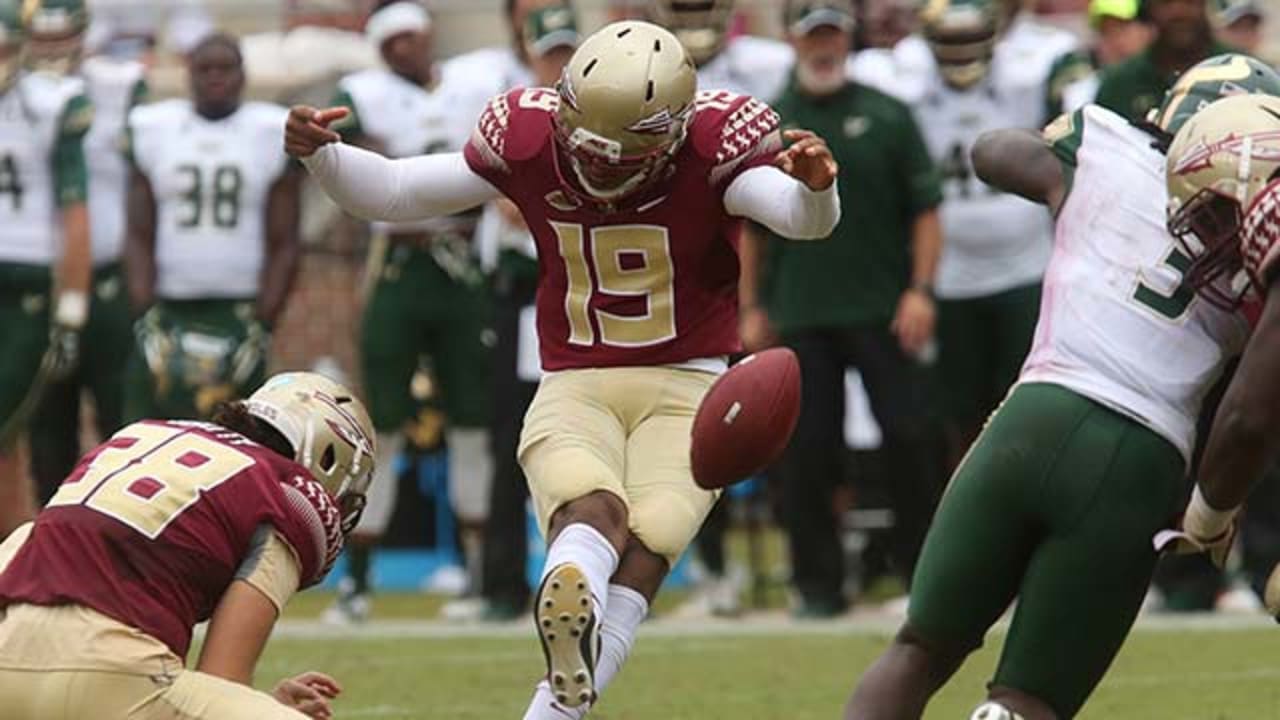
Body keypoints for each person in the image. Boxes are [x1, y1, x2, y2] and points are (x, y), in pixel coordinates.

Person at [286, 19, 839, 717]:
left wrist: (815, 190)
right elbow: (396, 192)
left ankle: (569, 595)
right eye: (588, 143)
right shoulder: (541, 137)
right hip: (630, 380)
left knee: (617, 528)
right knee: (624, 537)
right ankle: (570, 600)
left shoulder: (710, 144)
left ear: (672, 131)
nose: (600, 164)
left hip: (651, 385)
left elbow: (798, 217)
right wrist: (324, 157)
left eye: (623, 150)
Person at [843, 54, 1280, 720]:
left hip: (1030, 420)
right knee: (1027, 699)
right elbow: (1251, 413)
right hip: (1139, 459)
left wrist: (1064, 184)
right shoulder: (1263, 244)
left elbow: (992, 151)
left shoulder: (1105, 146)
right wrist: (1211, 514)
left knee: (917, 648)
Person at [0, 371, 375, 719]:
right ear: (327, 458)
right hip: (112, 676)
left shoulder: (144, 435)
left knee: (35, 532)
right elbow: (221, 675)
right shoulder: (287, 494)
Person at [743, 0, 944, 618]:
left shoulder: (887, 114)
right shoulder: (770, 124)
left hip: (882, 307)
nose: (823, 46)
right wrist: (750, 305)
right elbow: (749, 226)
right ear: (792, 41)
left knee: (912, 441)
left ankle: (925, 581)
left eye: (831, 33)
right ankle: (817, 586)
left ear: (848, 38)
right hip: (801, 311)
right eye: (812, 35)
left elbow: (925, 210)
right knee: (807, 452)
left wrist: (921, 290)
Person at [320, 0, 495, 624]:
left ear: (428, 36)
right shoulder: (364, 93)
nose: (403, 52)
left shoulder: (478, 79)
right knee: (383, 425)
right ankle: (356, 583)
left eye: (411, 39)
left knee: (475, 422)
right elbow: (359, 163)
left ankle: (480, 576)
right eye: (390, 44)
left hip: (462, 263)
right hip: (398, 262)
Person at [859, 0, 1069, 465]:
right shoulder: (904, 83)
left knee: (1030, 404)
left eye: (970, 42)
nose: (961, 56)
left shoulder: (1029, 76)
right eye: (949, 44)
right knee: (959, 416)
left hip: (1025, 268)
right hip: (951, 278)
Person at [651, 0, 796, 619]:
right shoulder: (644, 62)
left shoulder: (770, 66)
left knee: (774, 421)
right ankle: (711, 570)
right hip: (685, 264)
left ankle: (789, 564)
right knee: (695, 428)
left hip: (759, 250)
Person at [449, 0, 582, 624]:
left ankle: (598, 573)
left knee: (591, 434)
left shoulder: (599, 118)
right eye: (548, 52)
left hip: (578, 289)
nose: (557, 65)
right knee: (511, 435)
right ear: (529, 53)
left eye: (566, 52)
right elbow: (503, 204)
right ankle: (501, 581)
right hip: (521, 290)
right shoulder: (514, 120)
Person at [123, 33, 302, 423]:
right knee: (149, 427)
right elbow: (138, 231)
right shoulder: (154, 127)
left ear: (243, 74)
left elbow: (285, 239)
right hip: (170, 304)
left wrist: (266, 322)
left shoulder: (269, 129)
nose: (216, 77)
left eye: (226, 68)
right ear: (189, 74)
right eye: (205, 68)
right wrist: (144, 310)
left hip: (239, 305)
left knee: (238, 435)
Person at [1156, 93, 1280, 609]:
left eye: (1212, 215)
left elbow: (1249, 416)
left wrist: (1206, 518)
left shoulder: (1271, 210)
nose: (1211, 239)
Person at [23, 0, 146, 506]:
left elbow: (147, 182)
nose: (53, 51)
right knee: (46, 429)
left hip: (107, 277)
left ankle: (128, 541)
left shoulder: (120, 86)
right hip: (41, 284)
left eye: (63, 37)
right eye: (43, 39)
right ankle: (58, 553)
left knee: (124, 420)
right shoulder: (16, 97)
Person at [0, 0, 92, 535]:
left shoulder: (52, 102)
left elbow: (74, 209)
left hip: (24, 285)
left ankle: (15, 563)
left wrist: (73, 307)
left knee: (6, 431)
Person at [1094, 0, 1235, 122]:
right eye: (1167, 2)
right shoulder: (1119, 84)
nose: (1179, 12)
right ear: (1149, 10)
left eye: (1189, 1)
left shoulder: (1239, 70)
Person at [1045, 0, 1152, 117]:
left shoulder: (1161, 78)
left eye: (1121, 28)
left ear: (1146, 30)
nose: (1113, 41)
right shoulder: (1080, 80)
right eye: (1105, 31)